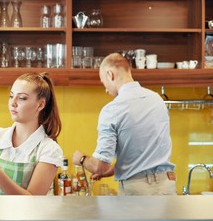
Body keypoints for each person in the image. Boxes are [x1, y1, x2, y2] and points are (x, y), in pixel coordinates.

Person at [73, 53, 176, 195]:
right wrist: (110, 170)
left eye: (104, 82)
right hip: (167, 185)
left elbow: (99, 166)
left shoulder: (112, 109)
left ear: (110, 75)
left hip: (137, 191)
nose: (106, 89)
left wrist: (81, 158)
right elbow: (141, 158)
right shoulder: (157, 99)